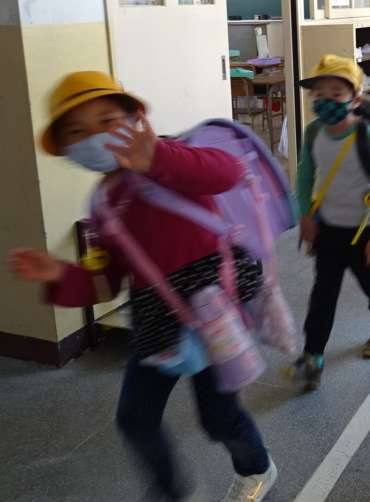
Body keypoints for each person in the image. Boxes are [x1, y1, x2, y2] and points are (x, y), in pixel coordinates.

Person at [9, 71, 278, 501]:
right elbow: (105, 283)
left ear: (133, 118)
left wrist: (158, 157)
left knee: (219, 418)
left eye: (105, 120)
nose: (93, 137)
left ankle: (257, 467)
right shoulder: (102, 204)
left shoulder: (170, 155)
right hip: (156, 318)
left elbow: (226, 172)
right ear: (66, 149)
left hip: (213, 309)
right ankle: (171, 492)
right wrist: (58, 274)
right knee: (135, 418)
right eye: (76, 131)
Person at [289, 55, 370, 391]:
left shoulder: (368, 137)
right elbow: (305, 176)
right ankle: (312, 355)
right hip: (328, 230)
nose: (326, 100)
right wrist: (305, 214)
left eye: (336, 93)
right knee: (323, 294)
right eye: (319, 94)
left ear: (356, 100)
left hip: (365, 232)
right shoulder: (313, 132)